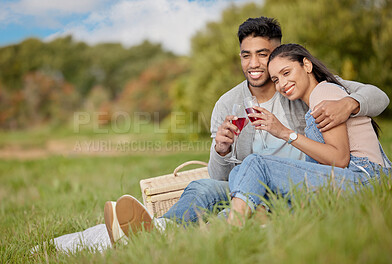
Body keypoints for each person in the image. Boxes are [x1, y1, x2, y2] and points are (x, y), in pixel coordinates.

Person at [104, 17, 390, 242]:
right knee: (203, 186)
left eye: (263, 54)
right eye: (245, 55)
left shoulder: (302, 84)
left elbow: (379, 97)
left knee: (252, 171)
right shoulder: (228, 103)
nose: (253, 64)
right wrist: (221, 149)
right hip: (254, 184)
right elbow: (219, 176)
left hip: (306, 180)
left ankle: (225, 228)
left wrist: (352, 103)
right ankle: (160, 230)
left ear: (278, 53)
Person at [227, 43, 391, 225]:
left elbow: (340, 158)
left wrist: (284, 133)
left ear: (307, 65)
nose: (282, 84)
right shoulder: (315, 101)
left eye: (286, 73)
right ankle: (265, 222)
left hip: (364, 179)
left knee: (256, 162)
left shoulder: (323, 92)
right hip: (345, 182)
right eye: (275, 80)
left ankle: (233, 227)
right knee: (239, 171)